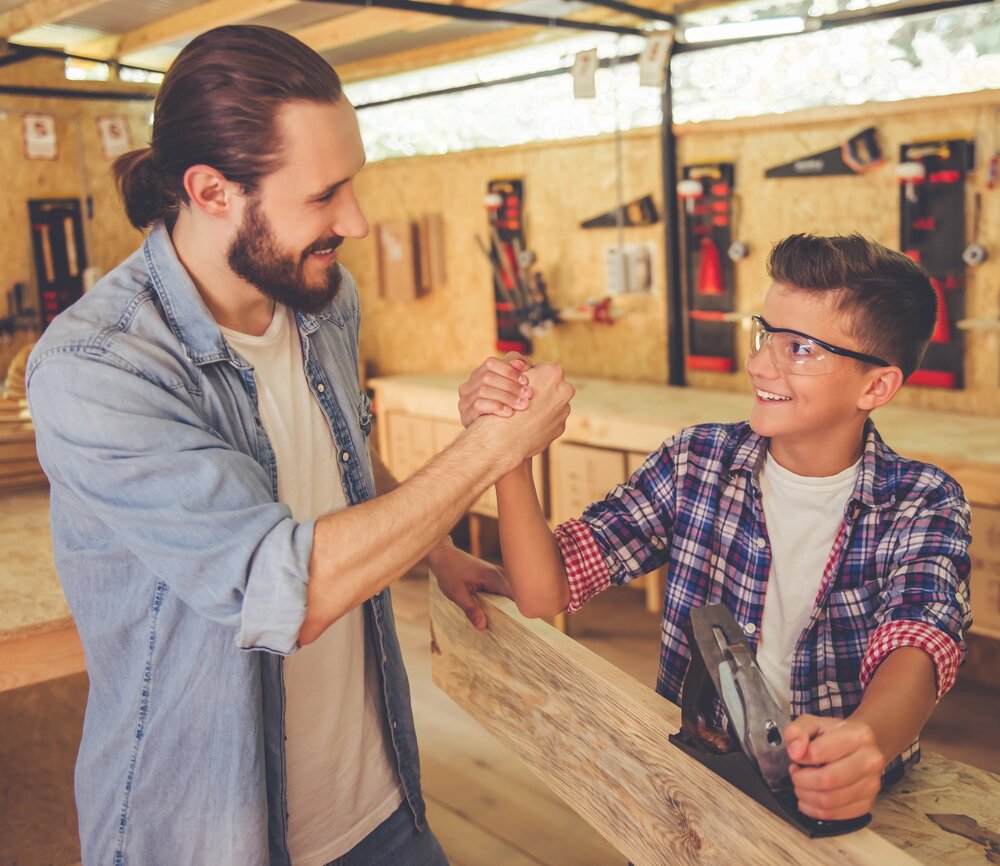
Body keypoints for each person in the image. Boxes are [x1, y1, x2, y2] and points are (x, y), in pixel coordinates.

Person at [26, 25, 574, 866]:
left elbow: (339, 445)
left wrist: (440, 551)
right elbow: (279, 587)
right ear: (212, 191)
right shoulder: (96, 368)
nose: (353, 220)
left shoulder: (318, 294)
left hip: (377, 798)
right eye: (324, 196)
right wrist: (492, 452)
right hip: (211, 830)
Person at [459, 233, 972, 822]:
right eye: (765, 335)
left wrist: (864, 744)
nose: (759, 364)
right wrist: (508, 447)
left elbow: (918, 642)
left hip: (846, 802)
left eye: (800, 349)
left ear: (876, 386)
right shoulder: (695, 463)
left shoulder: (923, 501)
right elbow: (542, 590)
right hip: (696, 785)